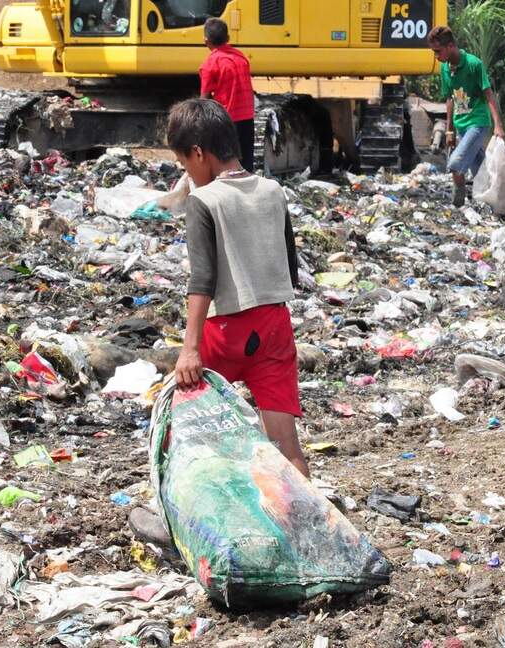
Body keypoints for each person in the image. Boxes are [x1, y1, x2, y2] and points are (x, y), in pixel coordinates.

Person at [168, 98, 309, 478]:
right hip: (275, 325)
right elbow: (290, 266)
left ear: (198, 153)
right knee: (284, 442)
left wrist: (190, 349)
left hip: (225, 331)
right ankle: (301, 525)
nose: (188, 174)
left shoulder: (204, 200)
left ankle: (188, 519)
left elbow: (202, 280)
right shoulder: (272, 190)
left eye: (185, 164)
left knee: (185, 426)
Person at [427, 25, 505, 208]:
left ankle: (458, 202)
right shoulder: (446, 69)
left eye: (438, 51)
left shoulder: (473, 64)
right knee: (480, 169)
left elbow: (488, 94)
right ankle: (495, 204)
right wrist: (449, 131)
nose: (436, 56)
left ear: (451, 46)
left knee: (455, 164)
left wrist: (498, 125)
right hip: (461, 124)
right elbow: (449, 99)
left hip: (478, 123)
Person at [199, 18, 256, 172]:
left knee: (226, 164)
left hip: (227, 120)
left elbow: (204, 99)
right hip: (247, 117)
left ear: (206, 40)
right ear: (228, 38)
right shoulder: (241, 57)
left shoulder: (210, 65)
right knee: (246, 163)